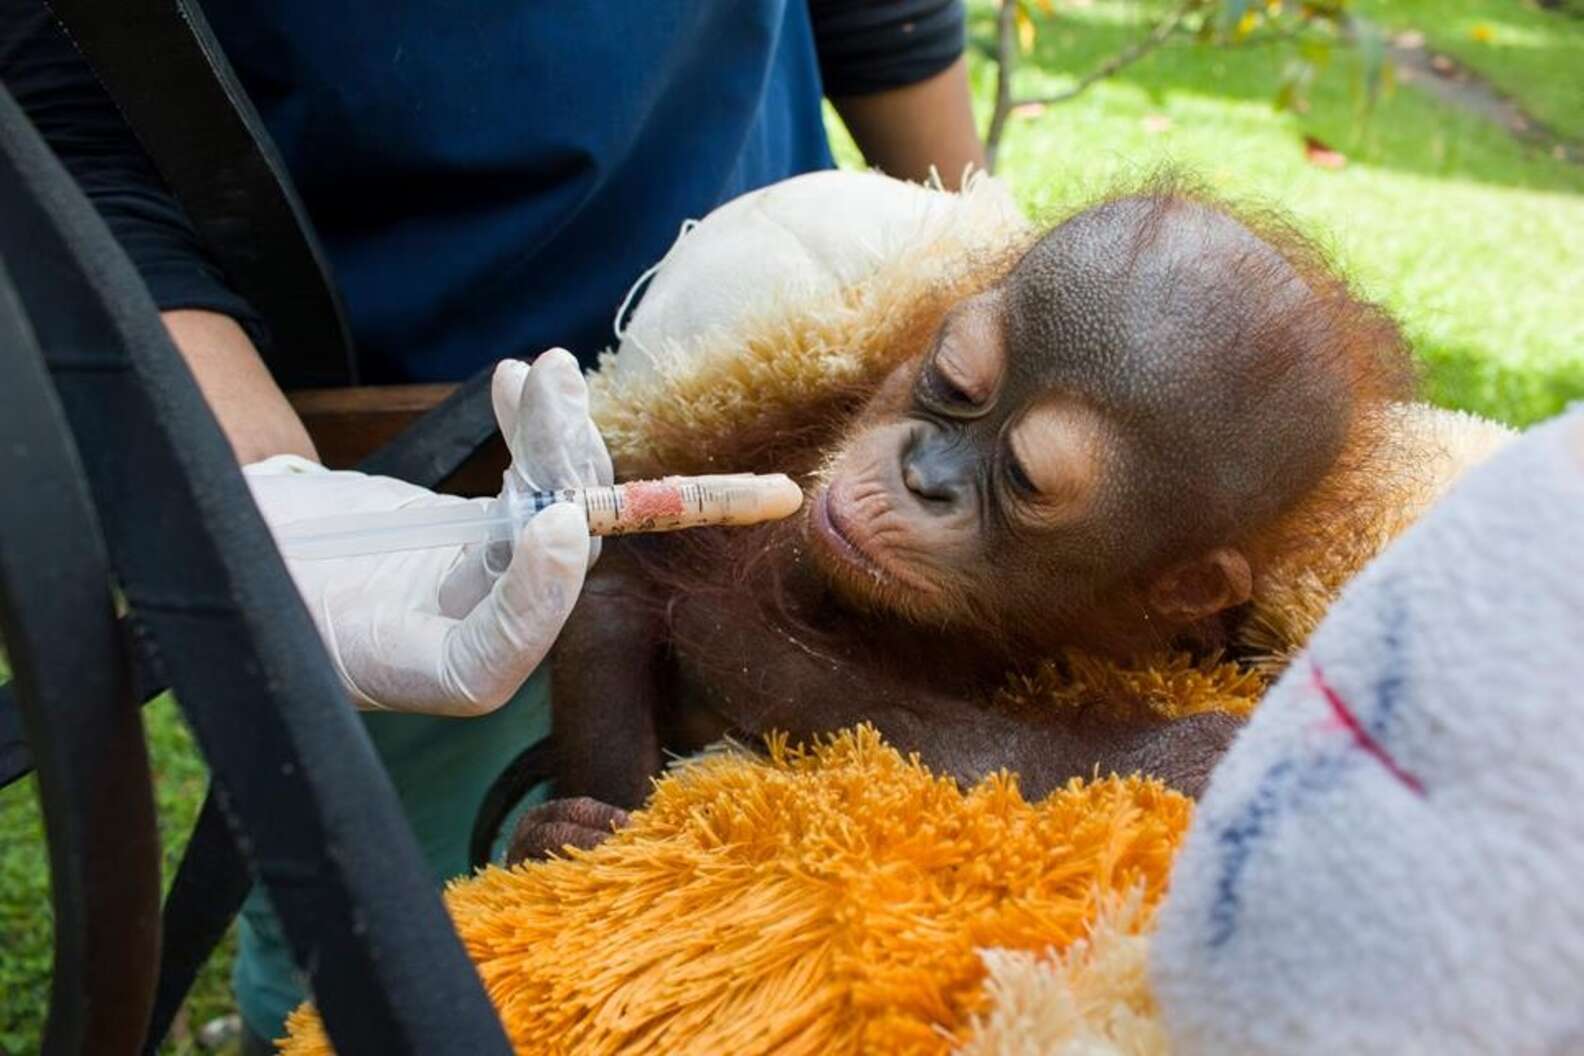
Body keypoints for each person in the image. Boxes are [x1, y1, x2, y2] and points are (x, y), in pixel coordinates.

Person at [0, 1, 986, 1048]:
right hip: (378, 457)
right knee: (370, 952)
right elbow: (56, 101)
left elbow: (880, 15)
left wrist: (987, 276)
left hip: (780, 345)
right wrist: (264, 488)